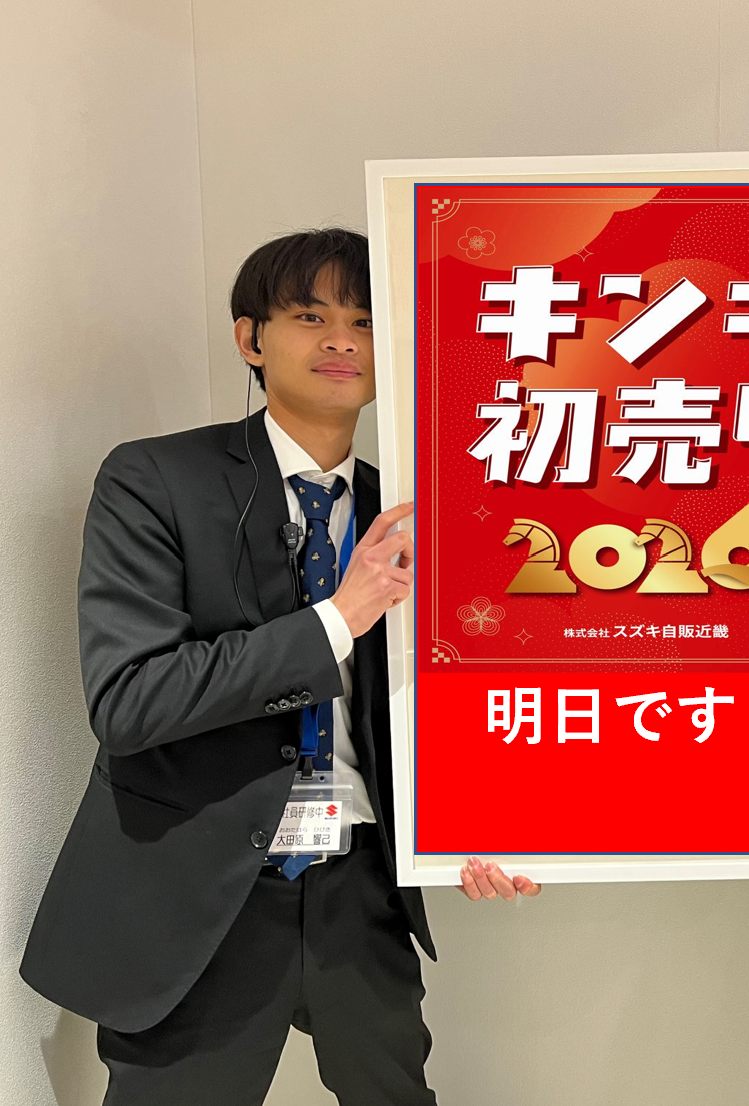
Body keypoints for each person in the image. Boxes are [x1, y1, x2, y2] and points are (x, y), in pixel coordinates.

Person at [20, 228, 539, 1105]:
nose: (342, 340)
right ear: (251, 338)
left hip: (359, 887)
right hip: (197, 896)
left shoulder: (412, 511)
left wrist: (474, 827)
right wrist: (339, 617)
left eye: (367, 322)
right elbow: (129, 701)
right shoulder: (156, 478)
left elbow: (438, 708)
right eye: (310, 315)